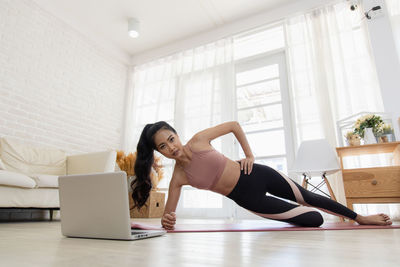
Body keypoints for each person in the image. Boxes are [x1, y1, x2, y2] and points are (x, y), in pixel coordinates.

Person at [132, 121, 392, 230]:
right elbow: (169, 215)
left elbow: (234, 125)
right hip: (248, 198)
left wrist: (249, 155)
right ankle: (333, 216)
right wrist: (167, 221)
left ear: (176, 134)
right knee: (314, 219)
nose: (172, 147)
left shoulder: (199, 140)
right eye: (163, 147)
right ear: (159, 153)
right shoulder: (178, 178)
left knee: (309, 196)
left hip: (257, 173)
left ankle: (360, 217)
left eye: (171, 139)